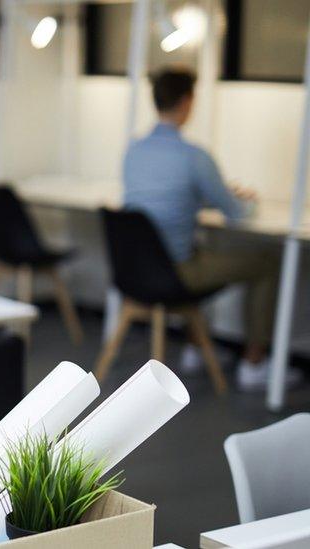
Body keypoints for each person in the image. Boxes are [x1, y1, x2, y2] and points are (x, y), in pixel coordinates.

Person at [123, 67, 300, 391]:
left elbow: (163, 202)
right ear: (187, 101)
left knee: (206, 251)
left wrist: (201, 200)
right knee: (269, 262)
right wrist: (243, 200)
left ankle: (195, 347)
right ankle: (255, 364)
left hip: (137, 271)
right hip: (176, 271)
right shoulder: (194, 157)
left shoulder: (134, 151)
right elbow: (235, 214)